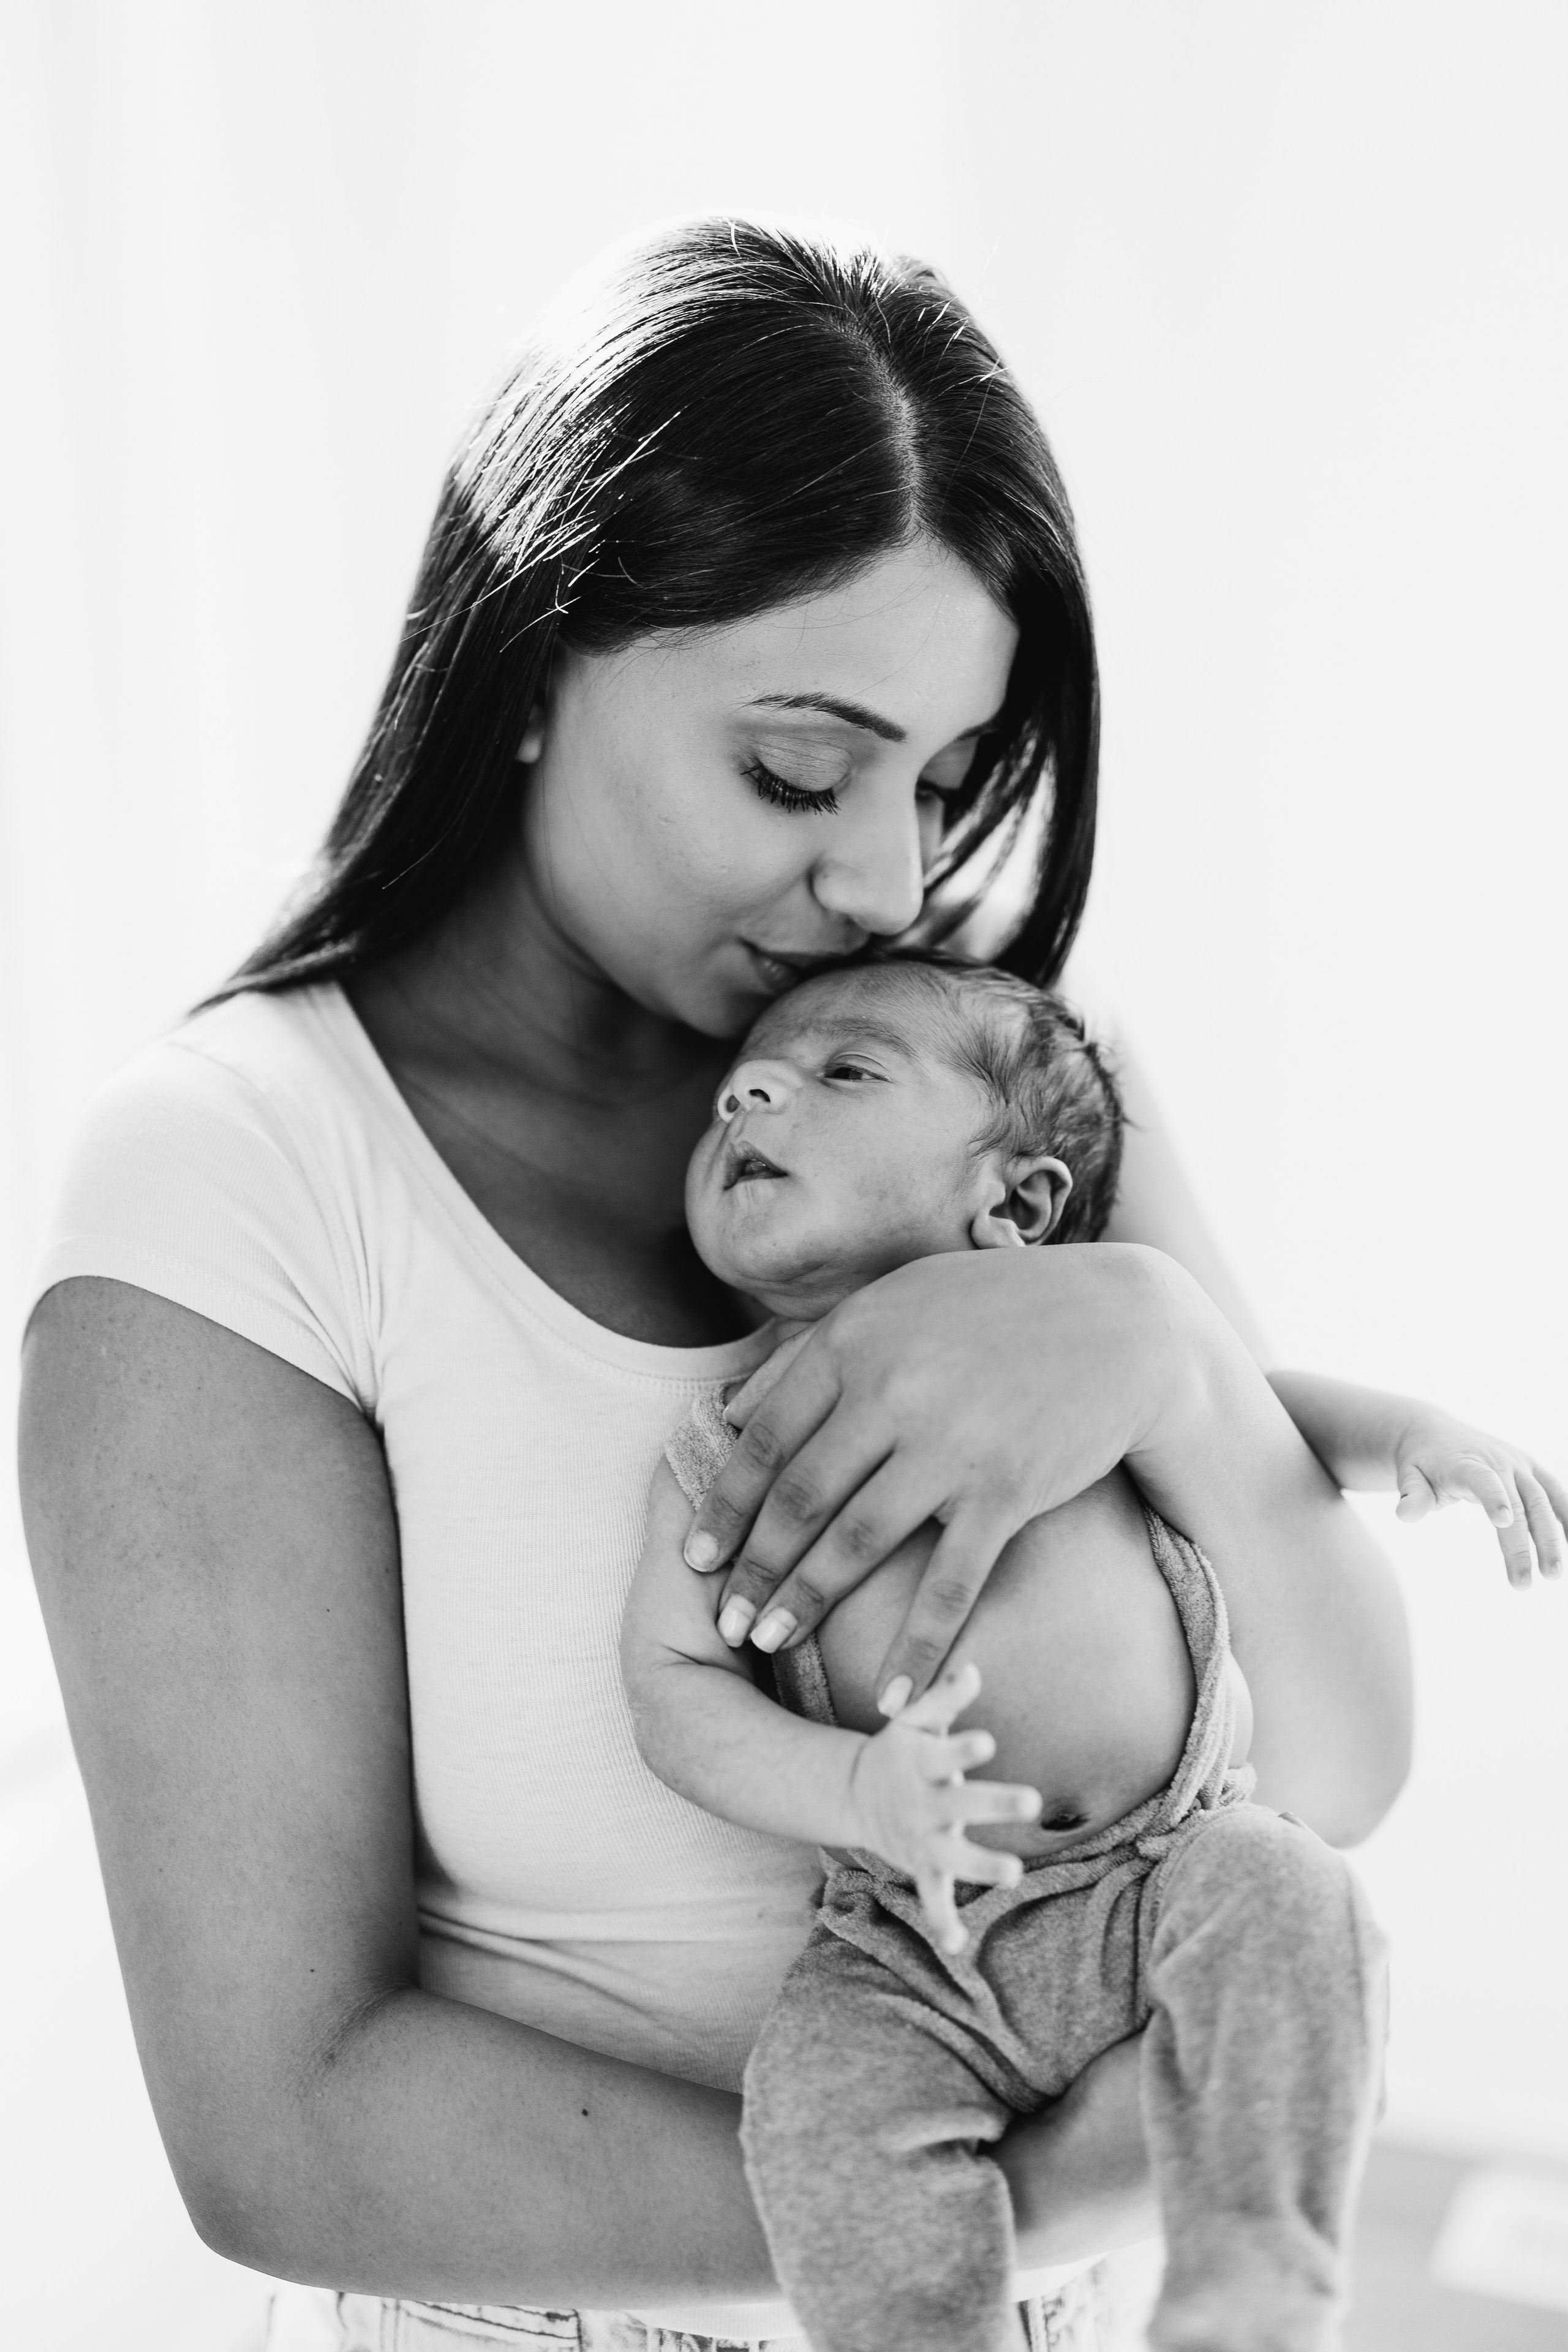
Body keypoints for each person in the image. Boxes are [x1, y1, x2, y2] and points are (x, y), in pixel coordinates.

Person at [18, 217, 1548, 2352]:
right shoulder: (237, 1181)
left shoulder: (986, 1087)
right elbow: (285, 2127)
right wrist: (1002, 2209)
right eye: (802, 770)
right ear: (537, 659)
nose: (888, 880)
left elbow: (1344, 1775)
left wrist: (1165, 1358)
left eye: (944, 782)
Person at [631, 944, 1558, 2351]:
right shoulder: (725, 1449)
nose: (748, 1093)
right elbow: (675, 1691)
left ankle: (1251, 2282)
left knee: (1296, 1899)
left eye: (842, 1071)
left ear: (1014, 1200)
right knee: (811, 2105)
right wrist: (851, 1794)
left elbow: (1257, 1409)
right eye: (736, 1095)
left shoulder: (1076, 1358)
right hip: (911, 1943)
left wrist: (1416, 1437)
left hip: (1165, 1869)